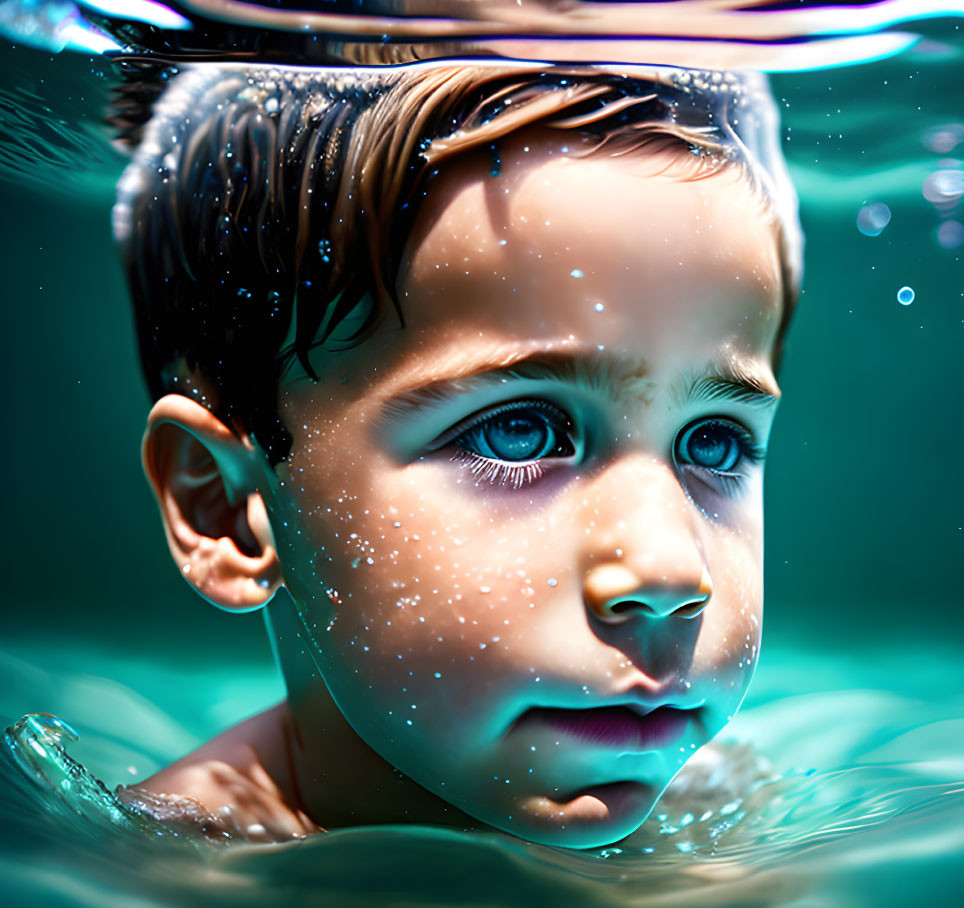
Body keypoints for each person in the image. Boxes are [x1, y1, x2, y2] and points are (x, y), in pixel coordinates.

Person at [111, 58, 802, 849]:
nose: (670, 573)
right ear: (229, 509)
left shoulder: (723, 802)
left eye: (712, 442)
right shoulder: (166, 868)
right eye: (519, 433)